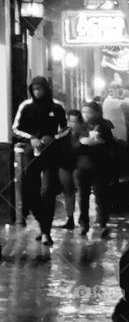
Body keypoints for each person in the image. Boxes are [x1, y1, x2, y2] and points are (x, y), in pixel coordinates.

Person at [12, 77, 67, 246]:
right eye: (34, 89)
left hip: (51, 154)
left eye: (40, 89)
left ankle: (46, 231)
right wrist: (32, 138)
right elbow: (15, 129)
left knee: (48, 191)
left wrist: (53, 138)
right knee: (30, 191)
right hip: (31, 154)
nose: (37, 92)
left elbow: (65, 129)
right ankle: (42, 224)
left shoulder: (57, 107)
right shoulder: (26, 106)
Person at [74, 101, 116, 237]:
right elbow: (73, 146)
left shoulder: (105, 126)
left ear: (98, 113)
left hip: (100, 166)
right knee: (83, 196)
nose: (87, 115)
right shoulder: (80, 127)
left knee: (101, 195)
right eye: (84, 112)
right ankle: (84, 224)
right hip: (83, 166)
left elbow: (111, 145)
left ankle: (102, 222)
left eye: (90, 112)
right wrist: (83, 142)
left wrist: (101, 142)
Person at [51, 109, 85, 230]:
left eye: (75, 121)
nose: (72, 124)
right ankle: (70, 219)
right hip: (64, 165)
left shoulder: (83, 132)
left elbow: (79, 148)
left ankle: (83, 218)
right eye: (70, 121)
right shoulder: (65, 131)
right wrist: (61, 136)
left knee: (81, 192)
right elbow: (56, 143)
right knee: (68, 192)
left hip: (78, 166)